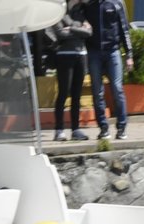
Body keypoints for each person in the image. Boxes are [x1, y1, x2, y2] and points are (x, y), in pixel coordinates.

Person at [84, 0, 134, 140]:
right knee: (97, 91)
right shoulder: (89, 5)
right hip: (94, 53)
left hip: (113, 52)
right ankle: (103, 128)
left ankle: (122, 127)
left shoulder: (116, 3)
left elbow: (124, 29)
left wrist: (129, 54)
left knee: (117, 88)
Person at [49, 2, 93, 141]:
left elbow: (89, 32)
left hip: (81, 56)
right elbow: (60, 33)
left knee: (76, 94)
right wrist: (79, 29)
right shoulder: (58, 14)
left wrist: (72, 29)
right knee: (63, 92)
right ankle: (59, 130)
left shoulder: (80, 12)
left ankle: (76, 129)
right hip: (64, 56)